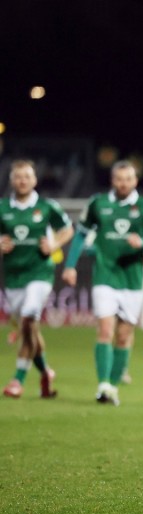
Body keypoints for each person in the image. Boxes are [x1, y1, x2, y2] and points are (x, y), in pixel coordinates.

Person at [61, 160, 143, 406]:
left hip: (132, 279)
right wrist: (70, 265)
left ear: (135, 181)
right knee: (105, 329)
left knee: (124, 335)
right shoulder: (98, 204)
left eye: (128, 179)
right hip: (105, 277)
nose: (123, 183)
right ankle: (103, 385)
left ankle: (114, 387)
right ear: (112, 180)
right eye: (119, 179)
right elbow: (80, 236)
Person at [1, 160, 74, 399]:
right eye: (18, 176)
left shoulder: (46, 207)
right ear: (12, 180)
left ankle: (17, 380)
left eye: (27, 176)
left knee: (29, 317)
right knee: (30, 326)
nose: (22, 180)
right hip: (13, 276)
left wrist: (54, 244)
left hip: (40, 273)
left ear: (35, 180)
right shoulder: (2, 208)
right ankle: (45, 372)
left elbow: (68, 229)